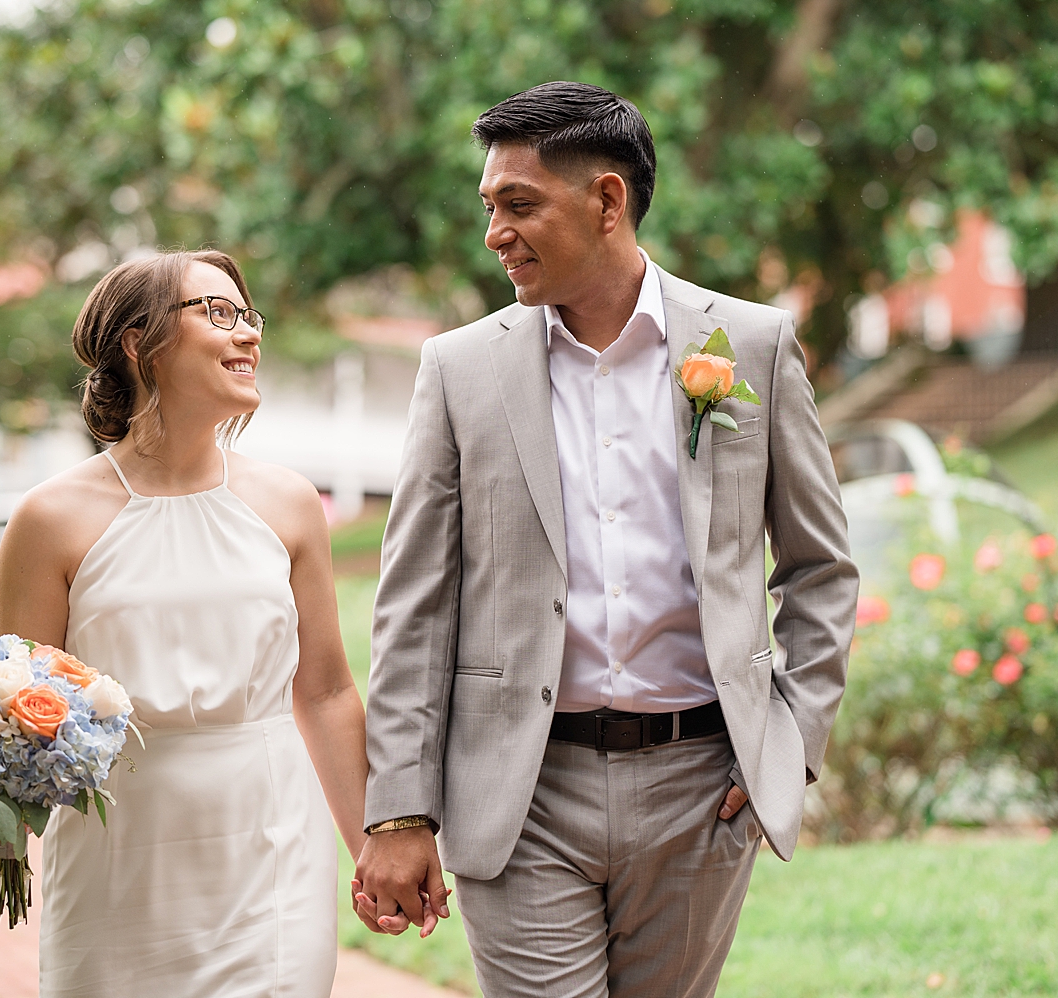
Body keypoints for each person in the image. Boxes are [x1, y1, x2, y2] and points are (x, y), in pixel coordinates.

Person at [354, 82, 859, 997]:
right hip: (520, 791)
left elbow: (820, 568)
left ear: (607, 201)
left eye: (519, 205)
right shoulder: (459, 370)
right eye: (488, 207)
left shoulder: (752, 346)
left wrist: (793, 737)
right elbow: (414, 604)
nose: (493, 233)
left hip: (703, 789)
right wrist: (398, 811)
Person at [0, 249, 369, 997]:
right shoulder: (49, 519)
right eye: (217, 313)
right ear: (139, 344)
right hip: (117, 855)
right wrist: (2, 820)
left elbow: (325, 693)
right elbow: (23, 714)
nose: (248, 335)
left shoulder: (289, 503)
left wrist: (373, 848)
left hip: (271, 845)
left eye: (248, 315)